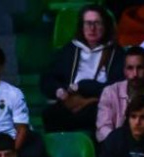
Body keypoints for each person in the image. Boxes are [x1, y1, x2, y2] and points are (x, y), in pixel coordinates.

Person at [41, 5, 125, 133]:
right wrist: (59, 90)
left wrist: (82, 87)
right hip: (71, 99)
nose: (92, 28)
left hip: (99, 101)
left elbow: (118, 86)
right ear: (81, 26)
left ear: (105, 26)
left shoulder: (116, 53)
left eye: (97, 23)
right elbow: (48, 78)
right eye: (88, 23)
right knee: (50, 114)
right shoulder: (70, 50)